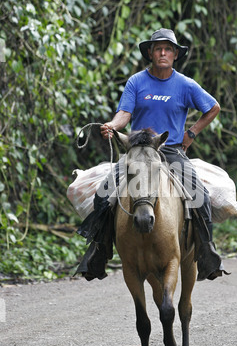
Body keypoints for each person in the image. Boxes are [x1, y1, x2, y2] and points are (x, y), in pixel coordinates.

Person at [77, 28, 227, 281]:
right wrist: (113, 126)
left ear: (176, 54)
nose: (163, 53)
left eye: (168, 49)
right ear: (150, 52)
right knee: (104, 195)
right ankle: (98, 252)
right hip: (138, 151)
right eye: (158, 48)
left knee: (199, 196)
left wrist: (191, 133)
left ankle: (207, 252)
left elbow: (213, 107)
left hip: (170, 150)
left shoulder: (185, 84)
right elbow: (124, 114)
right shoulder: (136, 82)